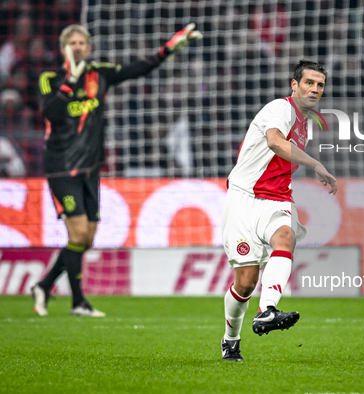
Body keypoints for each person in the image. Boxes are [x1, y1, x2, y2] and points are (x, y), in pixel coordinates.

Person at [31, 23, 202, 317]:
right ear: (63, 49)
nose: (77, 47)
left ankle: (44, 286)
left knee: (86, 239)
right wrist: (70, 80)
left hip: (90, 168)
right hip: (61, 168)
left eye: (81, 42)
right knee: (79, 232)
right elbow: (50, 113)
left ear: (89, 47)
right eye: (71, 42)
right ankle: (78, 302)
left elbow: (138, 69)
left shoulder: (101, 74)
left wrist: (169, 48)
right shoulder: (50, 79)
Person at [220, 60, 337, 361]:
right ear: (294, 85)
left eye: (320, 85)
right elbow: (274, 142)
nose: (314, 89)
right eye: (309, 82)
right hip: (244, 198)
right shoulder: (279, 109)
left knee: (285, 237)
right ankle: (231, 339)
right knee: (245, 283)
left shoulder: (304, 125)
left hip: (277, 199)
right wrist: (315, 164)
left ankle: (267, 310)